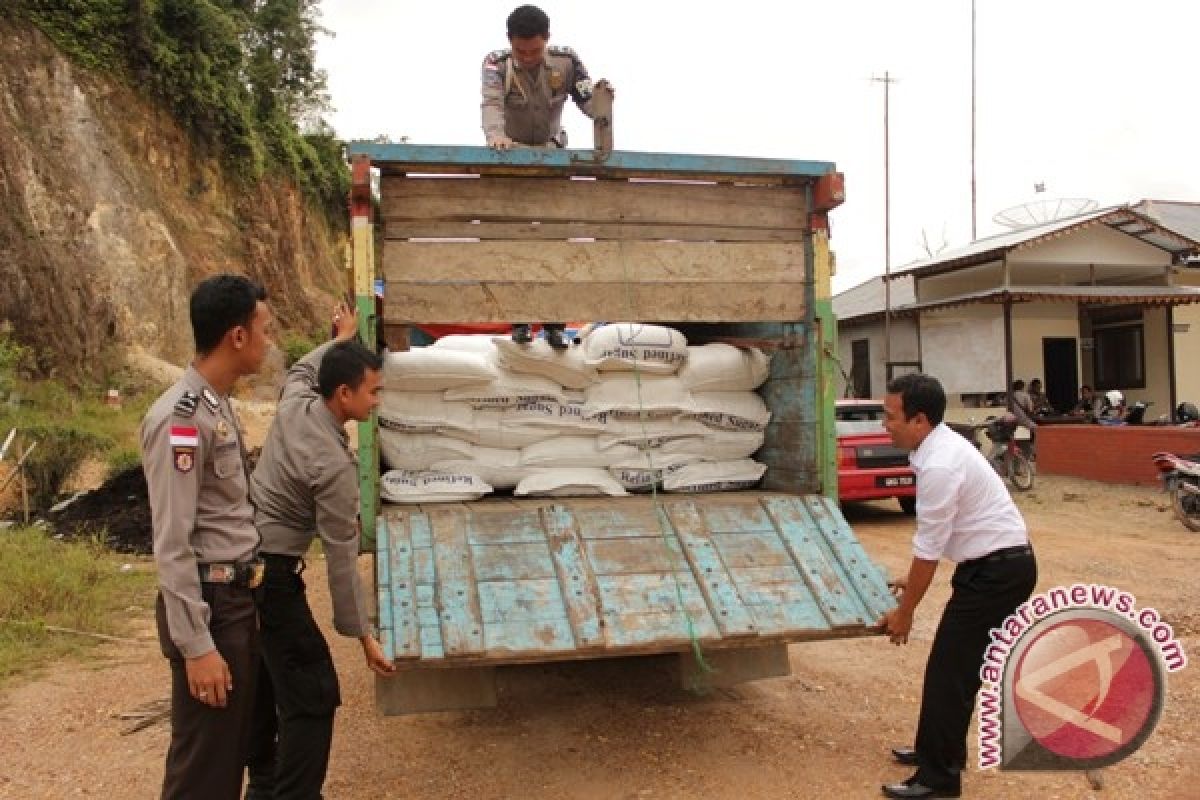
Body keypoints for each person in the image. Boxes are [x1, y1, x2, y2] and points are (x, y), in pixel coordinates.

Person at [248, 303, 395, 799]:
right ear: (345, 393)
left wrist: (342, 338)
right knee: (312, 694)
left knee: (269, 690)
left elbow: (302, 368)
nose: (377, 401)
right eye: (372, 392)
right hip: (273, 579)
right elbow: (339, 558)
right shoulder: (333, 469)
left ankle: (264, 789)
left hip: (247, 570)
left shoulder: (296, 402)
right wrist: (364, 636)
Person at [141, 274, 272, 799]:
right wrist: (197, 646)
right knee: (204, 774)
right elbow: (172, 542)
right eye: (265, 329)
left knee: (225, 762)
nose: (270, 342)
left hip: (234, 600)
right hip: (211, 605)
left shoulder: (215, 405)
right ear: (236, 336)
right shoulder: (181, 418)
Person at [878, 373, 1037, 799]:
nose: (884, 425)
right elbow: (939, 538)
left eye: (890, 416)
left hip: (998, 574)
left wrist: (905, 613)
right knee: (954, 669)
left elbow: (928, 549)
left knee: (951, 671)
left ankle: (939, 779)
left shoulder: (940, 464)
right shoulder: (934, 446)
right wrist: (909, 581)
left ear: (920, 419)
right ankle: (938, 749)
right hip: (991, 567)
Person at [481, 4, 611, 349]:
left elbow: (588, 103)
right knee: (517, 241)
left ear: (547, 41)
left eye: (534, 51)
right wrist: (495, 136)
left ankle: (555, 324)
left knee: (556, 241)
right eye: (520, 51)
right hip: (512, 158)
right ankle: (520, 321)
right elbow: (491, 104)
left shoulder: (567, 62)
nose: (527, 58)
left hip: (553, 158)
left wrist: (602, 99)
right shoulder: (496, 64)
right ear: (509, 42)